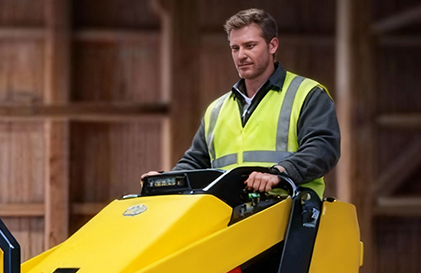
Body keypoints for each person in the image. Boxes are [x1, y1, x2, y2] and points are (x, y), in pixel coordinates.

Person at [141, 8, 340, 197]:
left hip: (290, 213)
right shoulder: (216, 109)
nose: (241, 55)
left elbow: (322, 148)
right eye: (235, 48)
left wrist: (279, 173)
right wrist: (166, 181)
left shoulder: (307, 94)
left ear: (273, 45)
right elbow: (196, 161)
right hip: (229, 217)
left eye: (250, 46)